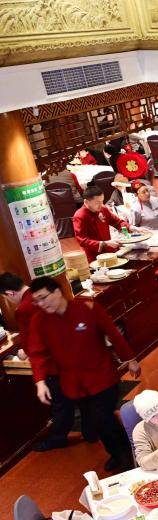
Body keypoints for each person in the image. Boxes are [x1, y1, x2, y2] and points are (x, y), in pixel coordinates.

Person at [27, 276, 140, 472]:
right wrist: (40, 381)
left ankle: (126, 456)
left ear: (57, 292)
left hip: (102, 376)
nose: (41, 304)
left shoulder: (87, 308)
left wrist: (131, 359)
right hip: (73, 383)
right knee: (97, 421)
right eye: (37, 300)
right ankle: (120, 451)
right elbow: (37, 353)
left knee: (102, 417)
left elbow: (112, 333)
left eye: (43, 297)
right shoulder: (39, 321)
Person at [1, 272, 74, 451]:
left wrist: (23, 352)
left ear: (10, 293)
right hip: (68, 353)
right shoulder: (42, 294)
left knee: (59, 403)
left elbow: (30, 344)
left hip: (52, 363)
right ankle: (89, 431)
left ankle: (58, 438)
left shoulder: (23, 309)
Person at [73, 186, 129, 261]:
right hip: (93, 255)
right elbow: (82, 240)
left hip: (109, 251)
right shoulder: (80, 215)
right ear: (86, 202)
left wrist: (131, 227)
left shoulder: (103, 209)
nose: (101, 204)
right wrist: (104, 243)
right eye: (97, 202)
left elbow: (117, 222)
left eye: (102, 201)